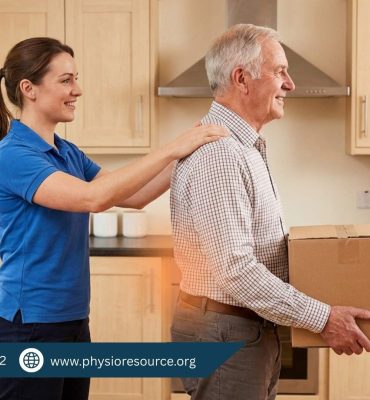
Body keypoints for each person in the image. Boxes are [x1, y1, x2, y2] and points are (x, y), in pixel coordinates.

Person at [0, 37, 228, 400]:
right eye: (66, 80)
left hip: (72, 320)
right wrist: (174, 146)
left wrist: (194, 151)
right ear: (29, 88)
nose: (78, 90)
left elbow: (134, 195)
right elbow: (94, 198)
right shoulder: (13, 156)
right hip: (30, 325)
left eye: (76, 78)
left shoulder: (66, 152)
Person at [170, 24, 370, 400]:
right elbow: (236, 271)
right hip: (227, 333)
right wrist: (324, 317)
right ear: (242, 79)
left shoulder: (242, 147)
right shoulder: (221, 156)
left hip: (242, 328)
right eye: (280, 71)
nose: (290, 84)